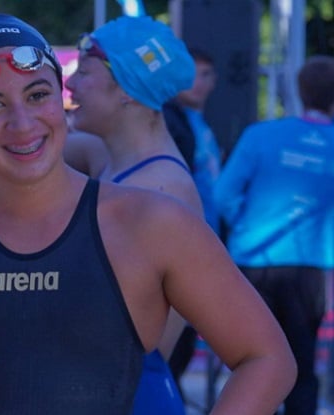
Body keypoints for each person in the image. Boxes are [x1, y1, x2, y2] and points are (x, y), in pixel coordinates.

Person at [0, 13, 296, 415]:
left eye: (38, 95)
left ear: (62, 101)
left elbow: (267, 357)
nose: (22, 122)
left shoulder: (152, 222)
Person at [64, 16, 202, 414]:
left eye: (83, 72)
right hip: (102, 389)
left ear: (125, 88)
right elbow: (15, 145)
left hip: (128, 396)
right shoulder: (108, 157)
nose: (69, 85)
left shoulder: (160, 190)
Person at [214, 55, 334, 415]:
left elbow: (222, 196)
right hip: (309, 270)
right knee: (300, 367)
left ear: (299, 91)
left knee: (249, 366)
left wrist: (247, 227)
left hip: (253, 262)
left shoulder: (260, 135)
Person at [162, 47, 223, 398]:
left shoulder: (197, 125)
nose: (197, 83)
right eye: (191, 73)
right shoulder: (171, 123)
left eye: (205, 75)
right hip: (185, 248)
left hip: (204, 245)